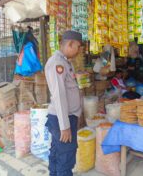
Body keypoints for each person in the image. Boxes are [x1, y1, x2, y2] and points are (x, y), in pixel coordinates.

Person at [45, 30, 82, 176]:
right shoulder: (57, 63)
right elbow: (59, 96)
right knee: (65, 159)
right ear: (70, 44)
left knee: (57, 154)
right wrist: (65, 126)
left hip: (65, 117)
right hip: (62, 119)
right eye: (78, 47)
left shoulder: (65, 62)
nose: (79, 50)